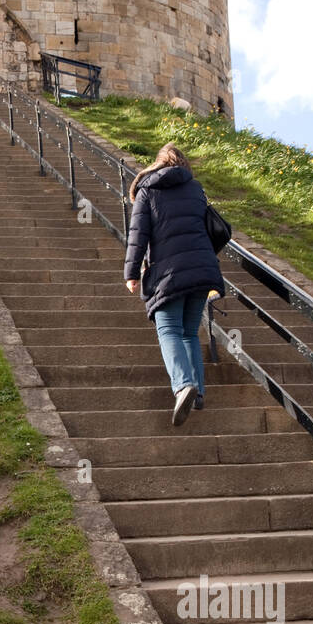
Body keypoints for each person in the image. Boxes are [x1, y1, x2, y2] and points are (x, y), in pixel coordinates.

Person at [123, 143, 225, 426]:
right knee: (190, 332)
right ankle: (199, 391)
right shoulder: (196, 189)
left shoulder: (147, 191)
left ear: (157, 164)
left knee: (168, 329)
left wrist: (131, 273)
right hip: (202, 271)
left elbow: (137, 235)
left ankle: (183, 386)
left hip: (168, 273)